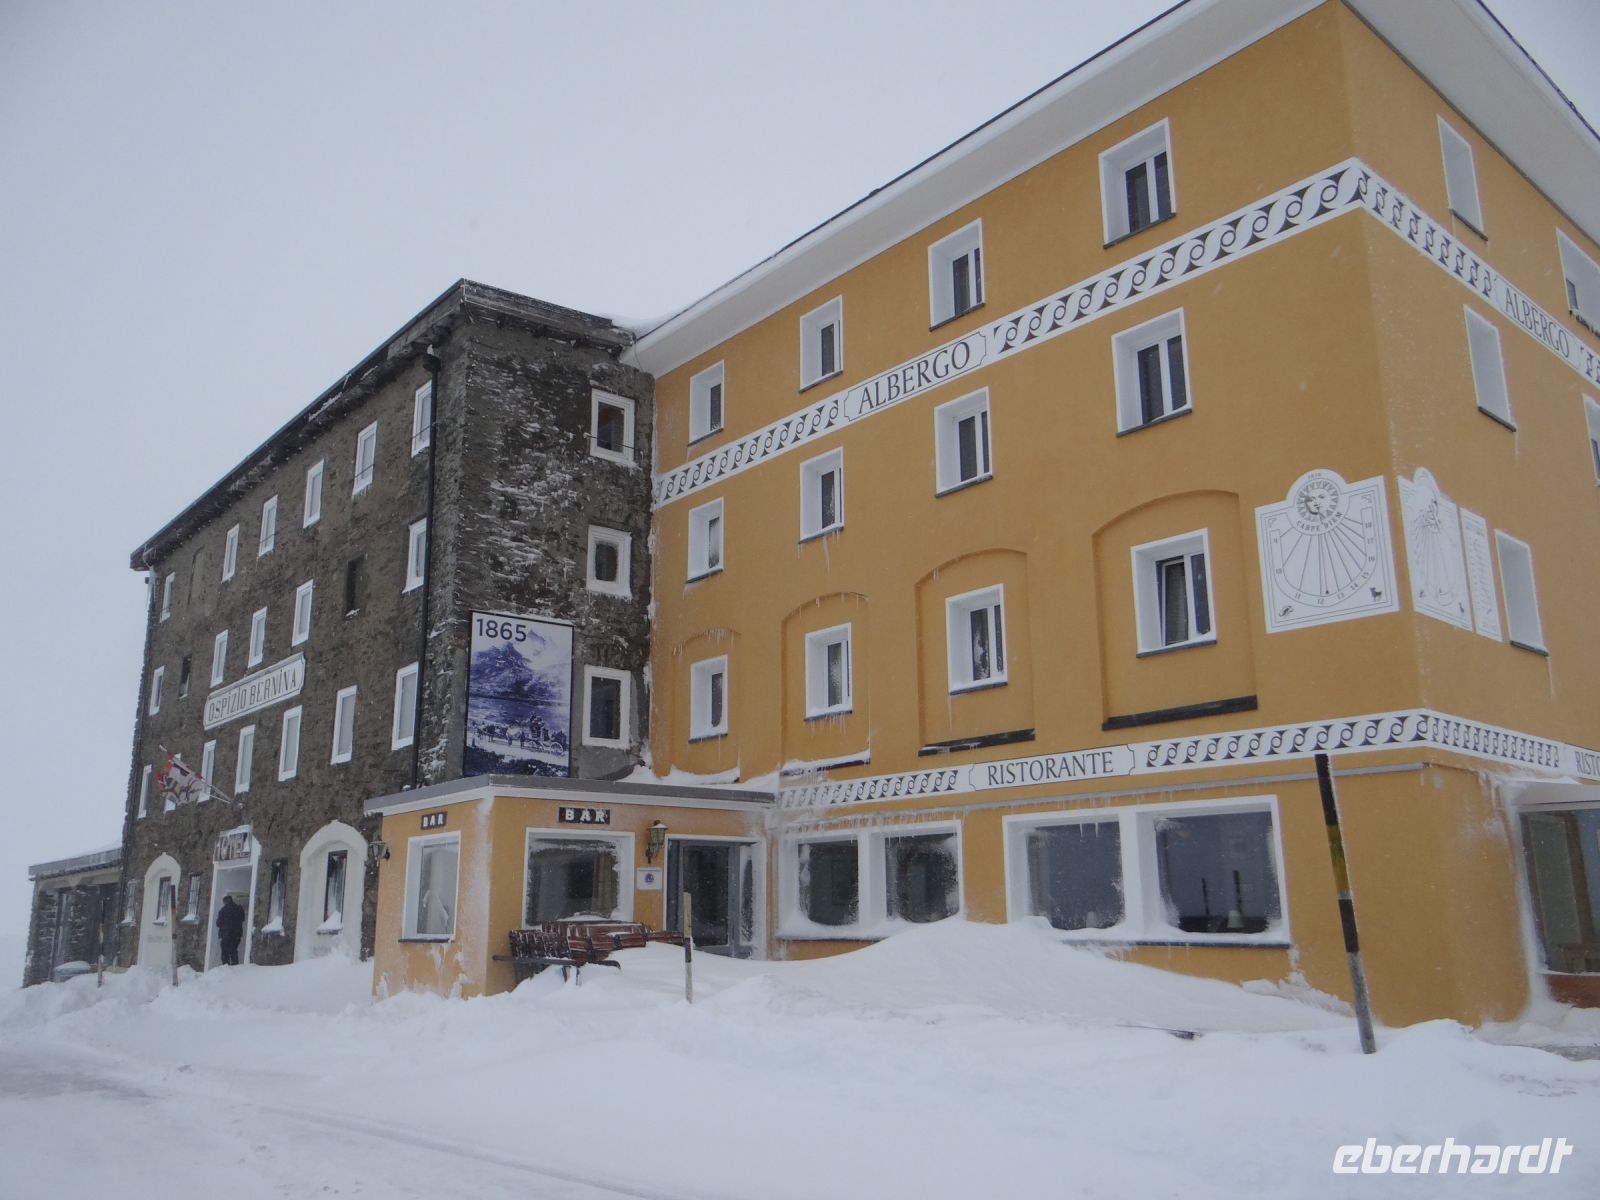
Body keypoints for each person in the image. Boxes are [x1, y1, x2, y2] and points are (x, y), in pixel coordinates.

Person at [216, 895, 245, 966]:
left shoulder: (223, 911)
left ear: (225, 902)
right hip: (236, 935)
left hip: (226, 934)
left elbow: (218, 923)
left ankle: (225, 966)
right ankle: (235, 965)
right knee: (233, 950)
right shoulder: (239, 908)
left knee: (225, 952)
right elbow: (242, 919)